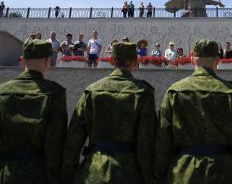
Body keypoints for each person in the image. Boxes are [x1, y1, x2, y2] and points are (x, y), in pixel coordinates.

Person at [155, 39, 232, 183]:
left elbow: (163, 137)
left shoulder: (174, 91)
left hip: (183, 171)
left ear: (192, 60)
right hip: (223, 172)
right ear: (217, 61)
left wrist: (159, 173)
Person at [62, 42, 156, 184]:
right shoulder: (143, 92)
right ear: (136, 62)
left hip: (93, 169)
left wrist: (68, 174)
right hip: (129, 172)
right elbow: (146, 141)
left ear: (111, 61)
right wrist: (149, 176)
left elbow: (74, 138)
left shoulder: (92, 90)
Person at [0, 39, 68, 184]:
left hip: (6, 173)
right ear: (47, 61)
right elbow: (54, 143)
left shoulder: (2, 92)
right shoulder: (55, 93)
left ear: (23, 60)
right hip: (39, 173)